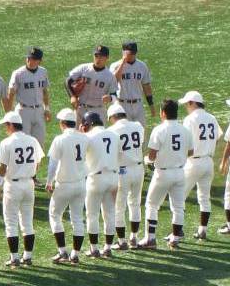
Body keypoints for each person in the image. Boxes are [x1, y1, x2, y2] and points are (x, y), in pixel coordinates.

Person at [139, 99, 194, 249]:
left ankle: (150, 239)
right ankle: (175, 238)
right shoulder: (185, 130)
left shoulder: (159, 130)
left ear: (163, 113)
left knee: (151, 204)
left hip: (162, 173)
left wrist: (147, 160)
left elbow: (152, 155)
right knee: (178, 206)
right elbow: (191, 152)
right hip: (180, 172)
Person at [0, 112, 43, 267]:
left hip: (13, 185)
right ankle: (27, 256)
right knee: (27, 222)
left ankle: (14, 257)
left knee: (11, 222)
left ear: (11, 125)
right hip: (29, 184)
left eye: (6, 126)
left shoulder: (7, 143)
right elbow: (38, 163)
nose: (5, 129)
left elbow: (2, 167)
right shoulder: (32, 140)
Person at [46, 109, 89, 264]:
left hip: (64, 184)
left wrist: (49, 181)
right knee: (77, 219)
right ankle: (75, 254)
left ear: (62, 123)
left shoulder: (60, 139)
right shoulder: (84, 138)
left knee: (55, 215)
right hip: (80, 183)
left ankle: (62, 251)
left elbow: (52, 164)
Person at [179, 91, 220, 239]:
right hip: (208, 161)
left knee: (179, 196)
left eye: (187, 104)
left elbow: (186, 143)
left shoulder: (190, 119)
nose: (186, 107)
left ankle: (178, 230)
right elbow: (217, 139)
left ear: (192, 103)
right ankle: (202, 230)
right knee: (204, 197)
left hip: (193, 162)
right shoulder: (212, 118)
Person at [108, 104, 146, 249]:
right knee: (135, 203)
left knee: (119, 206)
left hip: (122, 170)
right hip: (138, 168)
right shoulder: (137, 125)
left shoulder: (112, 131)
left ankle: (122, 241)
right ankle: (134, 238)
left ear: (113, 117)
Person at [82, 113, 119, 258]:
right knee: (109, 213)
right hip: (113, 176)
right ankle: (108, 247)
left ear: (89, 124)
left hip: (96, 178)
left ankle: (94, 248)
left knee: (92, 214)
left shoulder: (88, 136)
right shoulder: (114, 134)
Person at [8, 47, 54, 144]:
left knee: (39, 145)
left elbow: (45, 91)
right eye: (29, 58)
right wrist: (10, 113)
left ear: (40, 61)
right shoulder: (18, 74)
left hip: (39, 111)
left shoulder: (43, 72)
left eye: (33, 59)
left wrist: (47, 108)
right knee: (23, 143)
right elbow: (11, 94)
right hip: (23, 111)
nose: (30, 60)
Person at [67, 46, 118, 125]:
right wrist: (72, 96)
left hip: (98, 110)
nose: (98, 59)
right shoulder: (83, 68)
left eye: (101, 56)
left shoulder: (110, 76)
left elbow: (114, 95)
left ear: (107, 58)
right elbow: (67, 81)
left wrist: (110, 98)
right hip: (81, 109)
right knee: (78, 136)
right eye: (96, 56)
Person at [108, 42, 154, 124]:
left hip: (138, 105)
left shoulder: (142, 66)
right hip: (122, 104)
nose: (133, 55)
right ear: (123, 52)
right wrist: (122, 63)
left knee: (141, 133)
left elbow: (146, 86)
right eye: (130, 53)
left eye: (134, 53)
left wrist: (151, 104)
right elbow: (113, 82)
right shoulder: (115, 66)